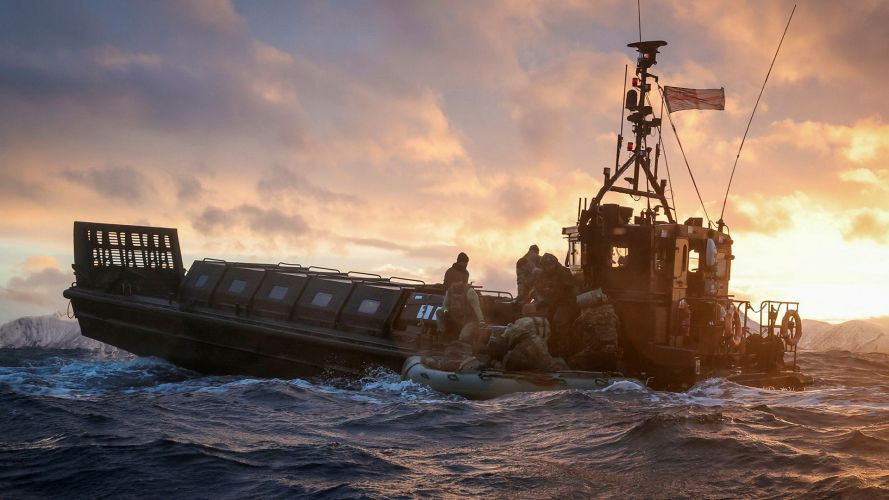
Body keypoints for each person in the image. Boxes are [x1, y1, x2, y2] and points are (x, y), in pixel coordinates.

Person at [533, 252, 579, 358]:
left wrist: (550, 294)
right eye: (546, 266)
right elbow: (537, 289)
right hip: (550, 302)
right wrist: (540, 298)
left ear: (555, 264)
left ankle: (565, 352)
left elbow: (569, 291)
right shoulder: (542, 274)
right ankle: (548, 349)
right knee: (541, 321)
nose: (548, 268)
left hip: (566, 303)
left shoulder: (564, 273)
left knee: (559, 320)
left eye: (550, 265)